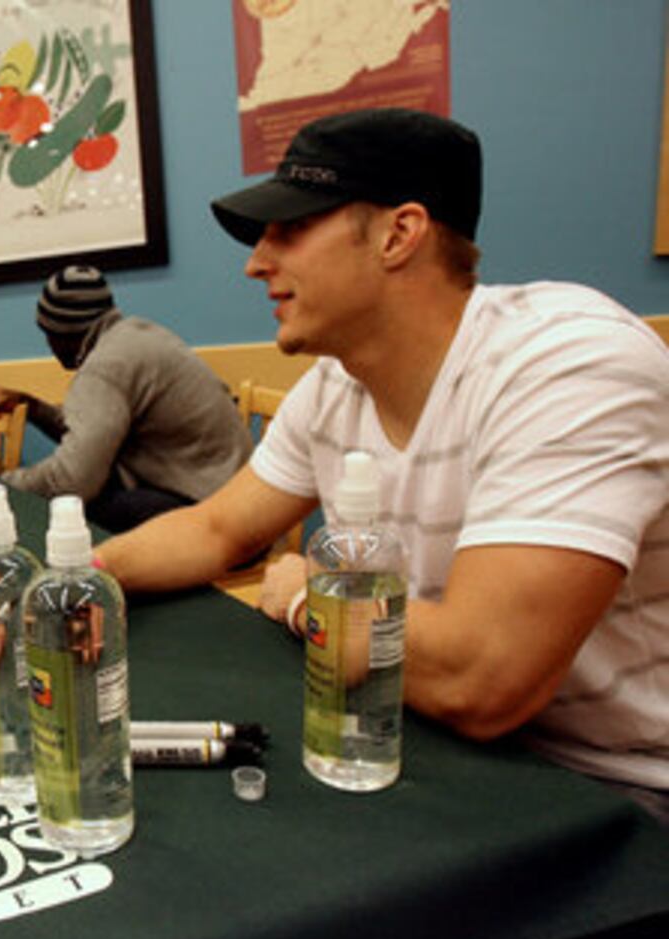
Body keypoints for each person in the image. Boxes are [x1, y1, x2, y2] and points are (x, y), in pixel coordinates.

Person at [95, 108, 669, 821]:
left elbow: (480, 678)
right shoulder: (336, 385)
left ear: (399, 234)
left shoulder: (570, 362)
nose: (255, 262)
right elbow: (217, 528)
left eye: (289, 229)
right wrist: (86, 579)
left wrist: (308, 597)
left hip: (620, 788)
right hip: (431, 741)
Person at [0, 266, 251, 532]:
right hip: (242, 505)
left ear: (63, 332)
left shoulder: (104, 368)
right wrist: (33, 408)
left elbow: (74, 481)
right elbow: (96, 436)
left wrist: (3, 481)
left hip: (219, 523)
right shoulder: (133, 336)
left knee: (72, 514)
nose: (48, 345)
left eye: (47, 333)